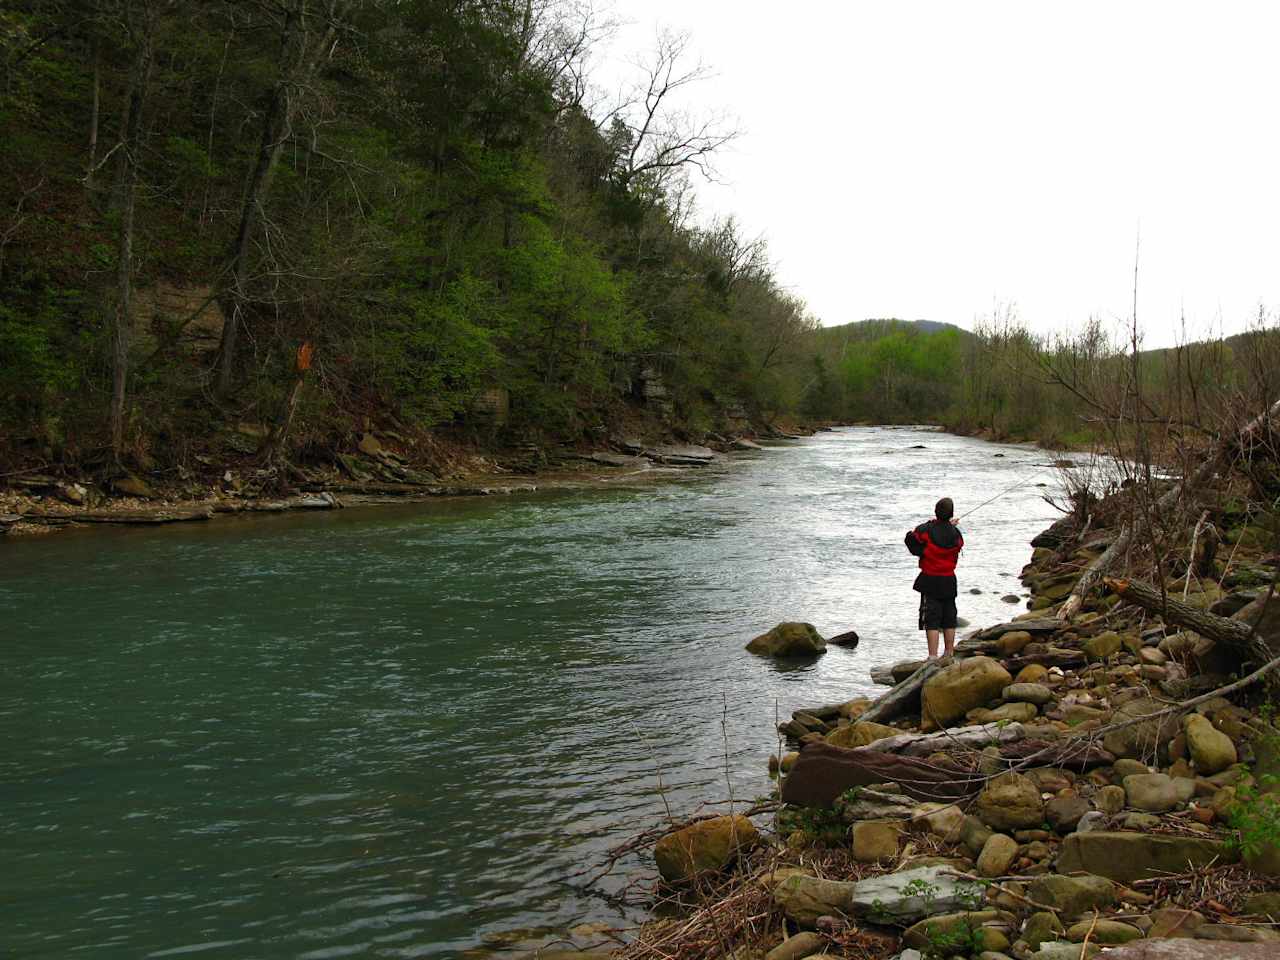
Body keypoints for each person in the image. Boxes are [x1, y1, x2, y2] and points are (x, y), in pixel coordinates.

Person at [904, 497, 964, 659]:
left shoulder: (926, 530)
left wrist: (933, 526)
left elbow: (911, 538)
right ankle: (949, 652)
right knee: (949, 616)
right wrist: (947, 526)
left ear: (936, 512)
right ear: (951, 514)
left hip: (930, 579)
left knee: (931, 618)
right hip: (949, 579)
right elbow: (956, 543)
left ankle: (932, 656)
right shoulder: (956, 535)